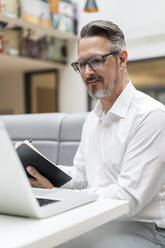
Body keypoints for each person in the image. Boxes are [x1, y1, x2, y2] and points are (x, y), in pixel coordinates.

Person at [26, 20, 165, 247]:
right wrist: (46, 170)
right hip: (97, 221)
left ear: (121, 59)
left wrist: (62, 196)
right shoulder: (93, 119)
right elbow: (82, 176)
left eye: (97, 61)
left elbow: (128, 199)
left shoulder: (151, 116)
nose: (88, 72)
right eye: (81, 64)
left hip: (143, 228)